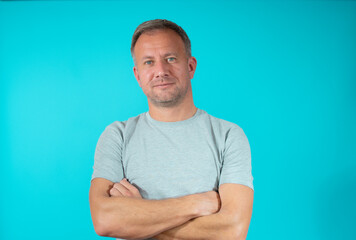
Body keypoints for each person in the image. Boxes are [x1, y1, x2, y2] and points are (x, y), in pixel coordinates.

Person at [89, 19, 254, 240]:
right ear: (137, 75)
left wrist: (138, 215)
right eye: (148, 62)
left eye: (170, 58)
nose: (160, 71)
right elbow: (104, 220)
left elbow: (232, 231)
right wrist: (196, 203)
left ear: (190, 66)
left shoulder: (228, 136)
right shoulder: (117, 136)